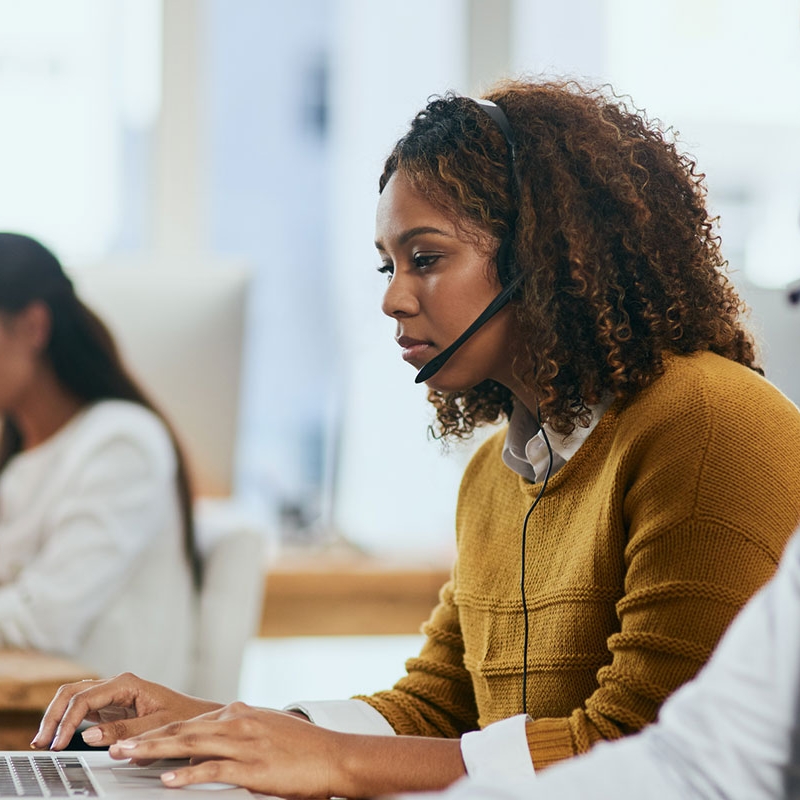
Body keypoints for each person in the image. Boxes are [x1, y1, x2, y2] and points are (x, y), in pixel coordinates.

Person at [33, 79, 800, 798]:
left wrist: (330, 757)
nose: (394, 298)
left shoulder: (706, 422)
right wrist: (221, 729)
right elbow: (439, 706)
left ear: (544, 255)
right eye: (387, 266)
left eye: (426, 259)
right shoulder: (496, 477)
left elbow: (650, 750)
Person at [393, 521, 800, 800]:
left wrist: (347, 761)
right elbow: (697, 767)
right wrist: (334, 750)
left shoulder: (706, 426)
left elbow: (627, 733)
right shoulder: (492, 466)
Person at [0, 232, 199, 689]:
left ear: (33, 326)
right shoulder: (20, 451)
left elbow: (43, 623)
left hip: (100, 740)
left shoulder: (120, 443)